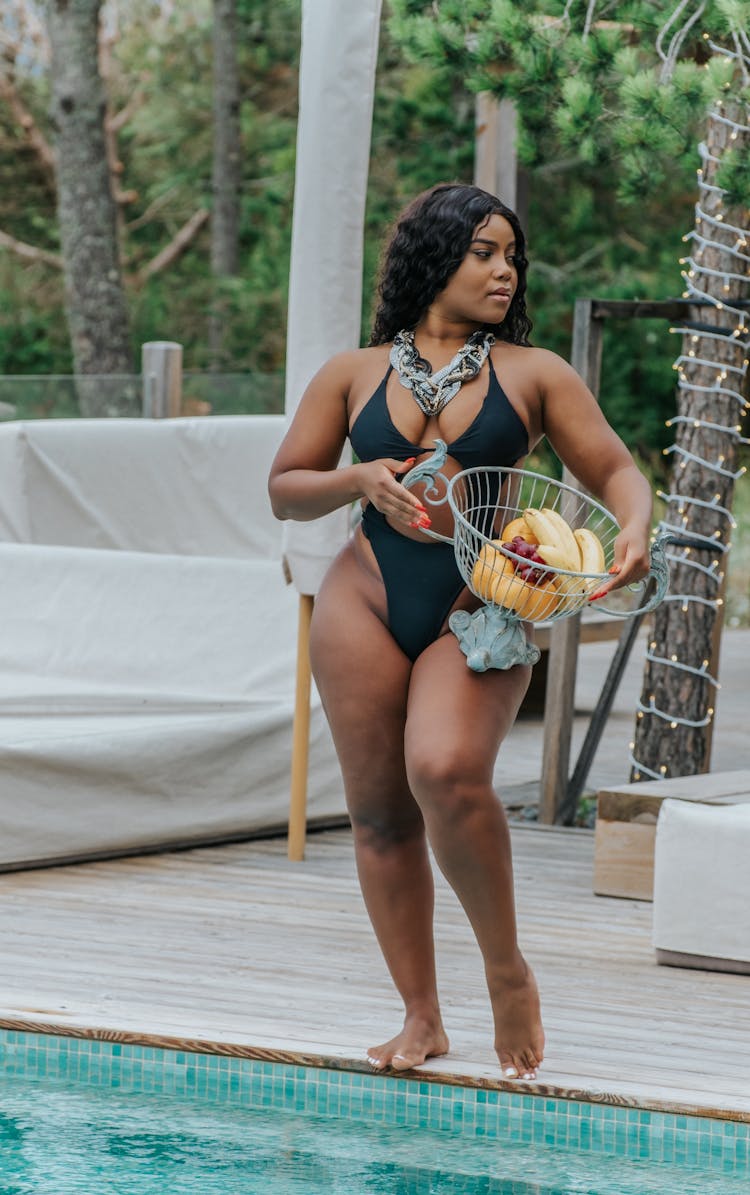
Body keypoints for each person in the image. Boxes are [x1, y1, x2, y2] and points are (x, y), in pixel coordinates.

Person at [268, 182, 653, 1081]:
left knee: (444, 768)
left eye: (510, 255)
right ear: (433, 256)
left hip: (482, 604)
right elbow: (285, 487)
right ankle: (420, 1014)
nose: (504, 270)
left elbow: (615, 468)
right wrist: (359, 478)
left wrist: (632, 524)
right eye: (483, 250)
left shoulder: (533, 372)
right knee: (377, 814)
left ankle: (506, 970)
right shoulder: (352, 373)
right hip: (364, 597)